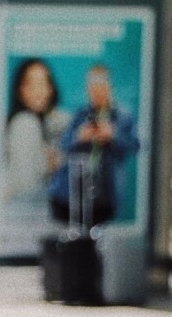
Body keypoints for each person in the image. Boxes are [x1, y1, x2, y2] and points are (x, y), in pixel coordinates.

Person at [49, 64, 138, 228]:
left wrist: (113, 136)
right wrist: (79, 136)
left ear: (109, 86)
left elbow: (135, 146)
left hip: (106, 190)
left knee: (101, 237)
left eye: (101, 84)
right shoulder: (81, 114)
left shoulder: (123, 115)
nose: (97, 90)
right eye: (92, 86)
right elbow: (63, 146)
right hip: (78, 190)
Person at [1, 58, 68, 214]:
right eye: (30, 84)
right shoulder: (24, 123)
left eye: (44, 83)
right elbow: (27, 183)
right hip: (20, 211)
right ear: (19, 90)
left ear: (51, 88)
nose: (38, 90)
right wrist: (49, 164)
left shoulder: (49, 122)